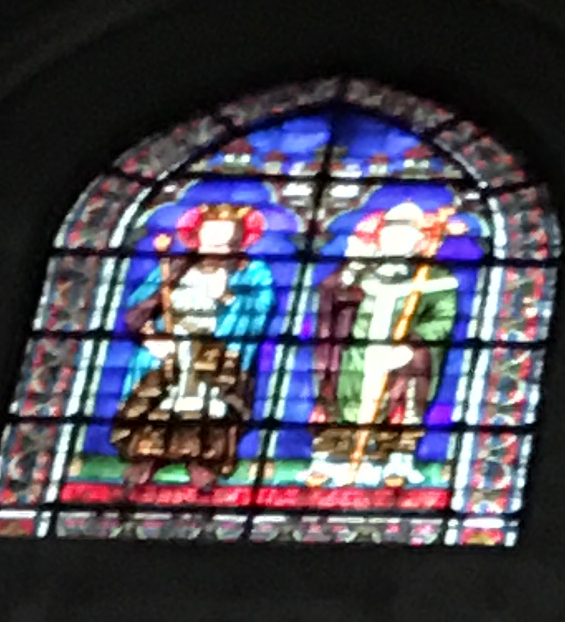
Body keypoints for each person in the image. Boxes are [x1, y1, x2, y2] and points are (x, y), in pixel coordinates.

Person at [111, 200, 279, 481]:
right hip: (170, 346)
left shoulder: (251, 271)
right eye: (211, 239)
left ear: (239, 242)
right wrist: (150, 336)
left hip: (216, 350)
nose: (217, 247)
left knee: (207, 404)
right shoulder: (175, 267)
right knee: (161, 401)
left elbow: (262, 308)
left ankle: (201, 460)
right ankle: (147, 457)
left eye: (226, 241)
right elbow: (141, 306)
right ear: (197, 237)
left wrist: (230, 297)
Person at [309, 201, 463, 480]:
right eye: (390, 233)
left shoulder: (436, 279)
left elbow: (442, 320)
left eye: (405, 235)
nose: (396, 240)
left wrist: (413, 346)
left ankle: (396, 460)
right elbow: (331, 297)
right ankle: (334, 457)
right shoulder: (360, 272)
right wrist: (350, 272)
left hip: (402, 359)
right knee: (342, 398)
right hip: (356, 355)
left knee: (402, 399)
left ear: (419, 242)